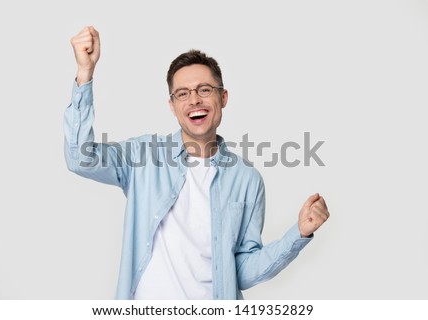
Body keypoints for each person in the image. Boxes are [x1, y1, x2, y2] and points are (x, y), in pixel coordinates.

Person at [64, 26, 330, 300]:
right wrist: (85, 75)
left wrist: (298, 233)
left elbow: (241, 271)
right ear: (172, 104)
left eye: (204, 89)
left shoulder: (247, 179)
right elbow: (80, 159)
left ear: (223, 97)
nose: (194, 100)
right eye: (182, 93)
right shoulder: (140, 156)